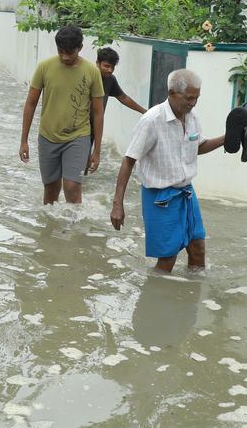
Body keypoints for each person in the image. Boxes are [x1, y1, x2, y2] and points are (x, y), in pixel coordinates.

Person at [110, 69, 229, 273]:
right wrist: (117, 204)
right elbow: (129, 160)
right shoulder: (151, 121)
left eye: (197, 98)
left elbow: (198, 146)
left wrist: (228, 137)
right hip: (160, 197)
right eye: (189, 98)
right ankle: (156, 301)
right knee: (167, 259)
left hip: (187, 193)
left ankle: (190, 297)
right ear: (172, 93)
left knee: (198, 250)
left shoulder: (192, 117)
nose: (193, 103)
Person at [19, 25, 104, 204]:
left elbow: (98, 112)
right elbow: (31, 103)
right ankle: (50, 229)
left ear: (80, 48)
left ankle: (73, 229)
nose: (64, 57)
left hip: (78, 136)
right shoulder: (44, 67)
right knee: (50, 190)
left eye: (69, 53)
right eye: (60, 52)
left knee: (72, 186)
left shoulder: (92, 72)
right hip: (48, 136)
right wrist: (24, 140)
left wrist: (96, 150)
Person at [96, 47, 147, 115]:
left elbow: (123, 98)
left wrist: (145, 112)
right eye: (106, 66)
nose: (110, 70)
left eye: (112, 67)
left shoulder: (110, 79)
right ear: (97, 63)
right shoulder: (88, 77)